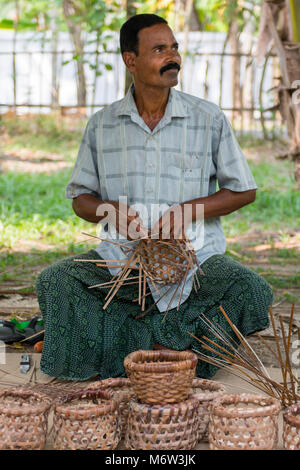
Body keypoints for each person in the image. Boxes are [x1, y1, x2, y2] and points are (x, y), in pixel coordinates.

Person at [36, 14, 273, 381]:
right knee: (56, 281)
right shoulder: (102, 125)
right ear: (131, 60)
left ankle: (136, 351)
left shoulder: (206, 118)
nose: (172, 57)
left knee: (250, 289)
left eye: (174, 47)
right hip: (120, 265)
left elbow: (245, 190)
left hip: (195, 264)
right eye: (159, 49)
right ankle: (172, 354)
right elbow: (80, 198)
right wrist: (108, 209)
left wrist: (189, 210)